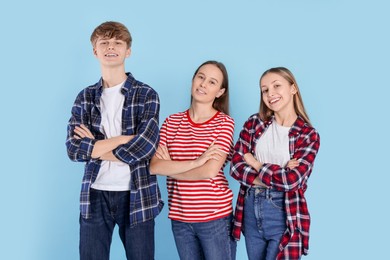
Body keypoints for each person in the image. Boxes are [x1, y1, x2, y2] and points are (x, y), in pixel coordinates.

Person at [65, 21, 163, 260]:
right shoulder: (85, 97)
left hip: (137, 193)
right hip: (94, 194)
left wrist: (95, 148)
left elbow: (145, 146)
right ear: (95, 51)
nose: (111, 47)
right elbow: (73, 149)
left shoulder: (146, 94)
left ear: (127, 51)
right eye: (104, 43)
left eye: (118, 43)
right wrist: (122, 139)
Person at [230, 67, 320, 260]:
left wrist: (255, 163)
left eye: (276, 86)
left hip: (283, 211)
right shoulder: (254, 124)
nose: (270, 94)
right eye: (264, 90)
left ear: (293, 88)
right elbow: (236, 166)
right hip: (250, 208)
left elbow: (291, 181)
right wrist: (278, 172)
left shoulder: (308, 135)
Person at [150, 60, 236, 260]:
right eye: (201, 77)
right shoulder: (172, 122)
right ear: (192, 81)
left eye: (212, 82)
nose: (204, 84)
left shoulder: (224, 123)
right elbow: (154, 166)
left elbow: (210, 172)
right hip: (180, 218)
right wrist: (196, 162)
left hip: (214, 217)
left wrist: (171, 167)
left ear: (220, 92)